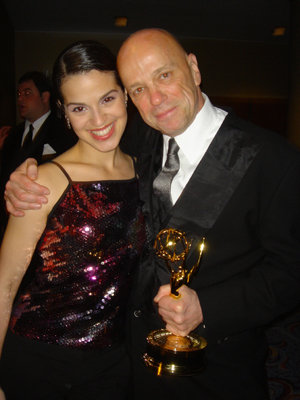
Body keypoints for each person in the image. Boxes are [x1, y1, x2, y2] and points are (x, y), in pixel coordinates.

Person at [4, 28, 300, 400]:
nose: (156, 99)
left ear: (193, 68)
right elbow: (85, 146)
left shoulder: (273, 160)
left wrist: (210, 308)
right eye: (138, 88)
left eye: (164, 75)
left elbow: (291, 270)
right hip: (126, 367)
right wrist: (25, 174)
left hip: (214, 370)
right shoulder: (136, 140)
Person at [0, 40, 145, 400]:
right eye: (80, 107)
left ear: (125, 95)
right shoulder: (45, 180)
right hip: (39, 362)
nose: (98, 121)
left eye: (107, 99)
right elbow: (4, 286)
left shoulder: (143, 172)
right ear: (64, 111)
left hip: (114, 361)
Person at [0, 71, 77, 237]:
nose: (20, 99)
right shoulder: (12, 134)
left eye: (28, 93)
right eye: (19, 94)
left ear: (44, 97)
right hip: (9, 220)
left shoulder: (64, 130)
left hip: (46, 225)